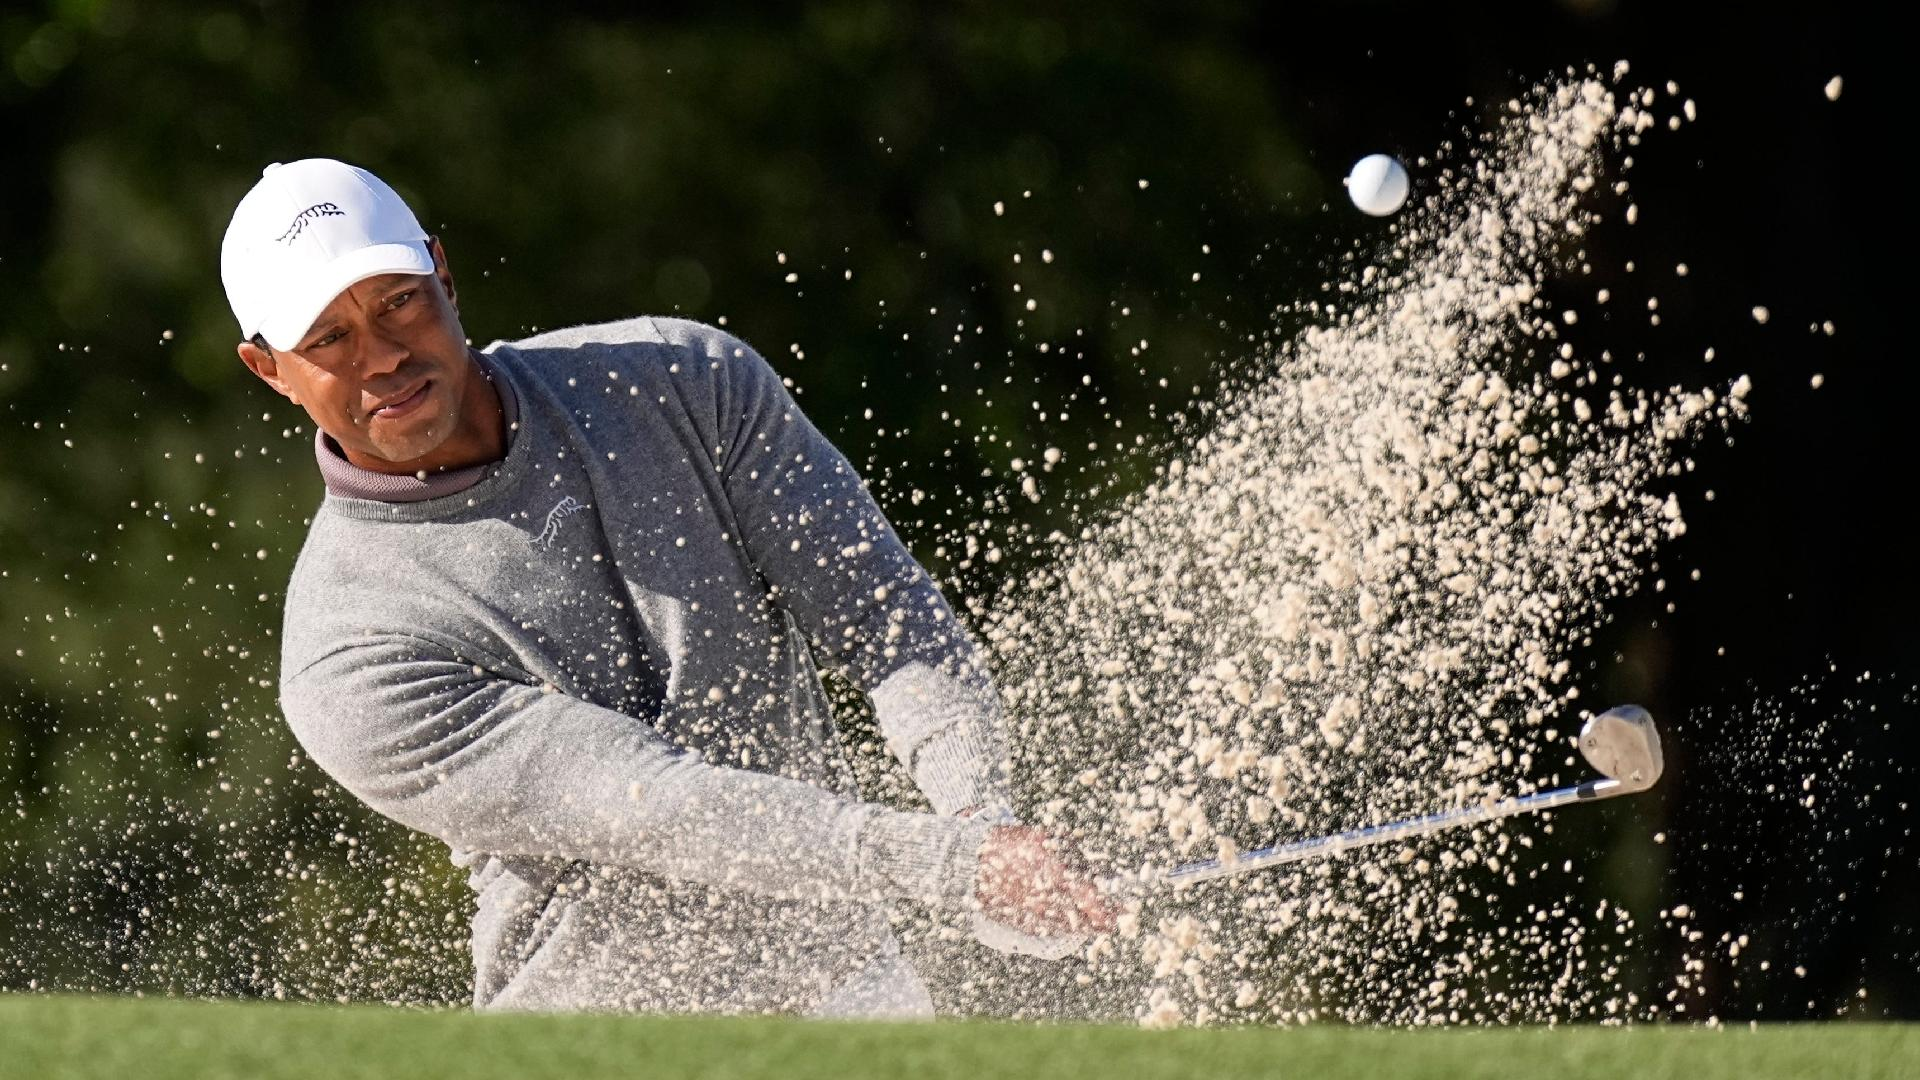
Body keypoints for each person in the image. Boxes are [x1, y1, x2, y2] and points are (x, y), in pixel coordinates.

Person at [220, 158, 1113, 1016]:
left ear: (442, 276)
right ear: (269, 369)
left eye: (399, 303)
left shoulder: (680, 381)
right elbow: (654, 804)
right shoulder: (345, 650)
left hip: (858, 1001)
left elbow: (886, 619)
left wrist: (985, 820)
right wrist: (955, 869)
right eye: (329, 339)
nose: (382, 357)